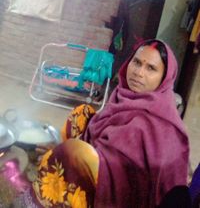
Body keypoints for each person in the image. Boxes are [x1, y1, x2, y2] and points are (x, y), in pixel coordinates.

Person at [16, 39, 190, 208]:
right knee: (81, 114)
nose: (139, 72)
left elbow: (137, 177)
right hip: (102, 164)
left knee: (72, 154)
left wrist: (72, 153)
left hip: (123, 193)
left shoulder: (161, 124)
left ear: (164, 79)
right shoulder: (123, 98)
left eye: (151, 68)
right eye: (136, 62)